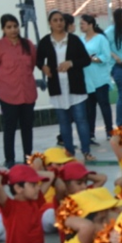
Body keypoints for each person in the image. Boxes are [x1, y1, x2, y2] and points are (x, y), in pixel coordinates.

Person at [36, 10, 93, 162]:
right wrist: (43, 67)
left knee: (81, 120)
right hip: (57, 87)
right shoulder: (45, 41)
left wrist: (71, 63)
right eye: (55, 20)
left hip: (75, 86)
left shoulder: (74, 40)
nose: (59, 23)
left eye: (61, 20)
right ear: (50, 23)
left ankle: (86, 151)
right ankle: (69, 153)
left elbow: (86, 60)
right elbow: (38, 60)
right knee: (64, 122)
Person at [0, 14, 38, 168]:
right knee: (10, 127)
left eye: (15, 26)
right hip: (7, 94)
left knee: (27, 127)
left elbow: (32, 65)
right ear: (3, 29)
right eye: (9, 27)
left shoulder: (28, 45)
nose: (13, 30)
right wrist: (5, 81)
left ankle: (28, 157)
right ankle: (9, 159)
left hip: (27, 93)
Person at [79, 14, 113, 145]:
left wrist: (92, 59)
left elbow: (106, 56)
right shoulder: (81, 40)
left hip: (100, 78)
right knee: (90, 107)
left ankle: (109, 131)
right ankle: (90, 133)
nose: (80, 26)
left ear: (90, 24)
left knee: (104, 105)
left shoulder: (100, 39)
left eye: (82, 23)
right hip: (87, 79)